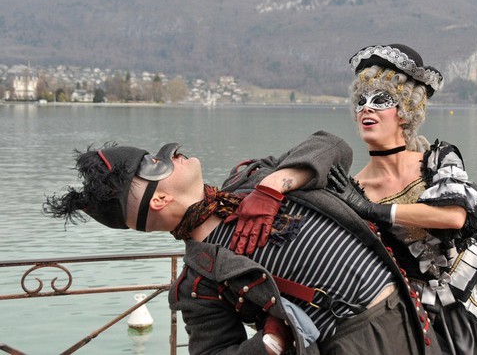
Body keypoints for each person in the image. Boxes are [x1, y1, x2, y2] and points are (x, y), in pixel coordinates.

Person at [43, 132, 439, 355]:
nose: (173, 152)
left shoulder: (251, 176)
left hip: (412, 303)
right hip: (360, 340)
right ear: (159, 199)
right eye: (156, 164)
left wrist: (275, 184)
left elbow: (333, 146)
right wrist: (270, 343)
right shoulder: (198, 281)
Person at [322, 43, 477, 354]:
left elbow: (454, 216)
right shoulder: (353, 186)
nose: (367, 108)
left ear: (404, 112)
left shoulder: (437, 159)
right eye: (361, 101)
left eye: (381, 100)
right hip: (415, 306)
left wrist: (375, 210)